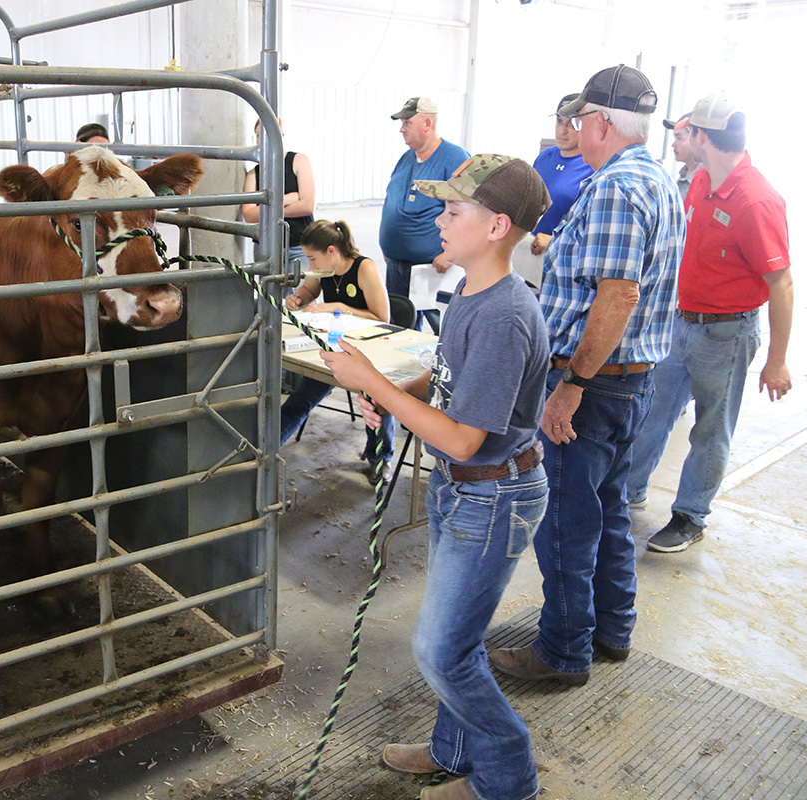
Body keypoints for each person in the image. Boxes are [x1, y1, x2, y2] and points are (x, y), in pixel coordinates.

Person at [322, 155, 552, 800]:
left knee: (440, 650)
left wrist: (371, 382)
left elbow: (461, 434)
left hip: (494, 492)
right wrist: (396, 389)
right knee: (460, 639)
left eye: (454, 211)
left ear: (496, 226)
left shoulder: (506, 314)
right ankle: (454, 750)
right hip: (463, 485)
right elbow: (449, 381)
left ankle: (509, 778)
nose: (438, 221)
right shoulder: (471, 295)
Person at [488, 65, 686, 686]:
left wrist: (570, 384)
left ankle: (563, 651)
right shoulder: (655, 179)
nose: (572, 130)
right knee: (607, 509)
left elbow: (617, 295)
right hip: (630, 379)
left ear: (602, 122)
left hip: (593, 384)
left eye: (579, 119)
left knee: (568, 521)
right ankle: (611, 628)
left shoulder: (614, 189)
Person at [626, 92, 794, 553]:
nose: (682, 138)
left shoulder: (757, 200)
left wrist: (776, 360)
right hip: (679, 324)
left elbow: (780, 283)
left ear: (702, 136)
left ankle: (690, 516)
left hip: (727, 332)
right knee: (652, 412)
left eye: (688, 131)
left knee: (710, 428)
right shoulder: (700, 180)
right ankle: (628, 491)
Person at [280, 219, 395, 479]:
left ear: (332, 251)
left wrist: (342, 308)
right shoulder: (324, 272)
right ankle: (267, 446)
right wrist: (297, 299)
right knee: (302, 397)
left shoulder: (364, 268)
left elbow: (382, 317)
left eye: (312, 258)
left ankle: (380, 459)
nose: (311, 265)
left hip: (368, 349)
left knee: (376, 400)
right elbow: (307, 293)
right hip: (335, 346)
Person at [379, 97, 471, 334]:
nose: (402, 129)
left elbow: (469, 210)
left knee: (437, 329)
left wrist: (451, 255)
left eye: (408, 122)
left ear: (427, 123)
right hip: (397, 263)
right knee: (399, 324)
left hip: (432, 266)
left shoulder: (455, 158)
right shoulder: (406, 157)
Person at [241, 119, 316, 273]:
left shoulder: (299, 161)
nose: (262, 139)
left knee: (302, 294)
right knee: (269, 294)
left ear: (280, 135)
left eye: (268, 134)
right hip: (266, 247)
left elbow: (308, 205)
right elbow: (249, 215)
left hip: (301, 245)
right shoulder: (254, 174)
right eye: (258, 135)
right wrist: (288, 199)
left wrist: (267, 210)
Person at [530, 93, 595, 257]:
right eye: (559, 121)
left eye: (572, 124)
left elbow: (593, 230)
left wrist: (555, 241)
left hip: (565, 258)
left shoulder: (592, 165)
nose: (562, 130)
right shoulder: (545, 158)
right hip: (531, 253)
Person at [663, 113, 700, 197]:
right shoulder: (683, 175)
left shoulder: (706, 180)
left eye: (679, 138)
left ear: (697, 138)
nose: (673, 144)